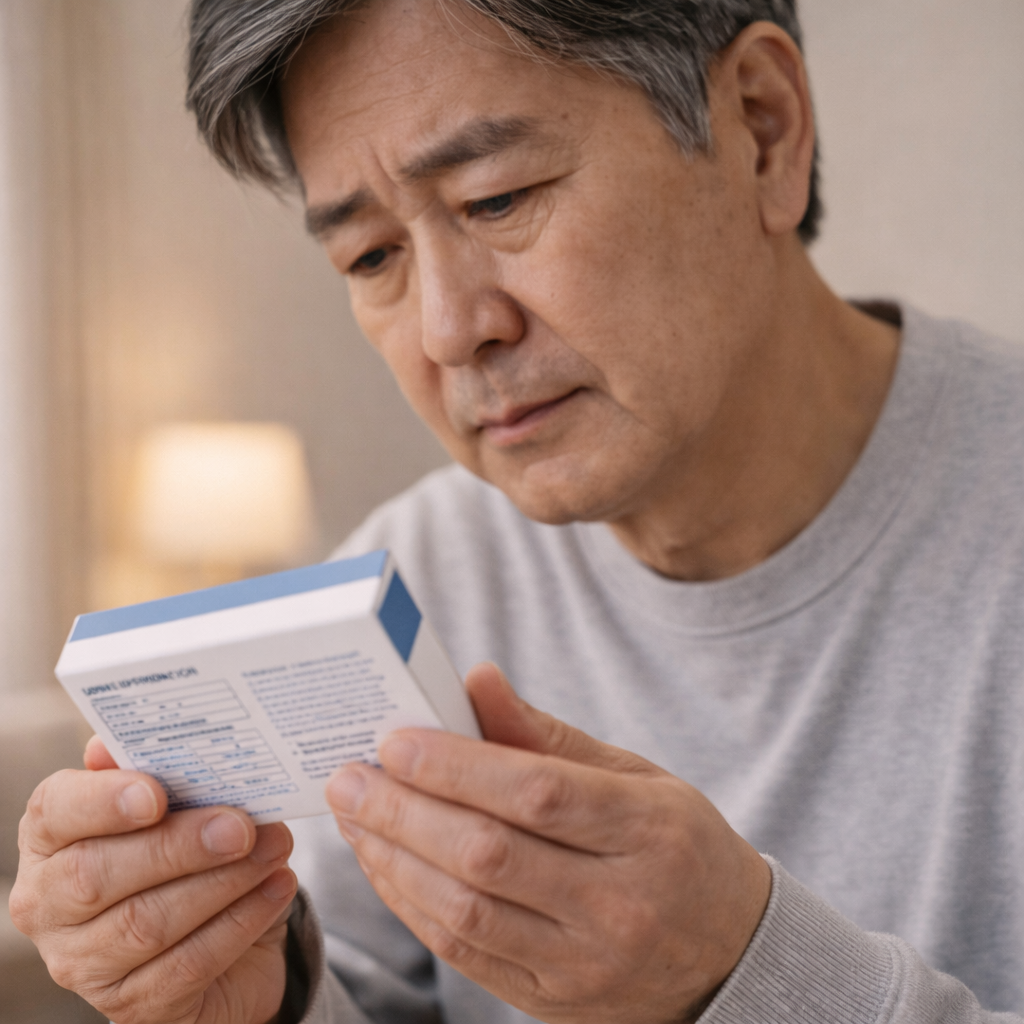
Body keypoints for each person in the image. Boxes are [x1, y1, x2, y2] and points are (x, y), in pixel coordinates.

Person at [10, 0, 1024, 1022]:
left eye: (498, 199)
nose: (450, 330)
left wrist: (743, 973)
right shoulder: (411, 582)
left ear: (761, 129)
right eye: (370, 257)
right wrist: (258, 996)